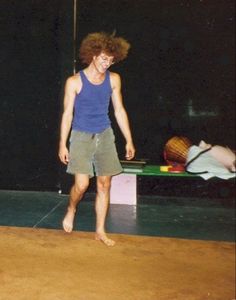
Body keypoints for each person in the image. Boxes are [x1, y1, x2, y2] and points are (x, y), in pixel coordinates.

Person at [58, 32, 135, 246]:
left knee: (104, 184)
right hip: (81, 135)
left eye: (110, 60)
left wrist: (129, 140)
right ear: (93, 55)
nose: (106, 64)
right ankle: (71, 208)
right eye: (103, 58)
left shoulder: (113, 79)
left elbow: (119, 110)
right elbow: (67, 114)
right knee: (82, 185)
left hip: (104, 134)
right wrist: (62, 144)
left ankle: (100, 230)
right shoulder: (74, 82)